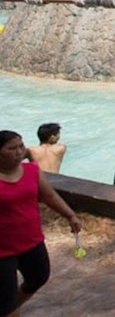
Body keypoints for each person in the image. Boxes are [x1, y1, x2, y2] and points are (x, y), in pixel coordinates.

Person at [0, 130, 83, 317]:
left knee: (39, 277)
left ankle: (11, 308)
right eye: (12, 148)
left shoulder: (32, 170)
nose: (19, 151)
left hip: (31, 240)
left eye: (21, 146)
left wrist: (70, 215)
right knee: (5, 296)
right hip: (2, 249)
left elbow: (49, 195)